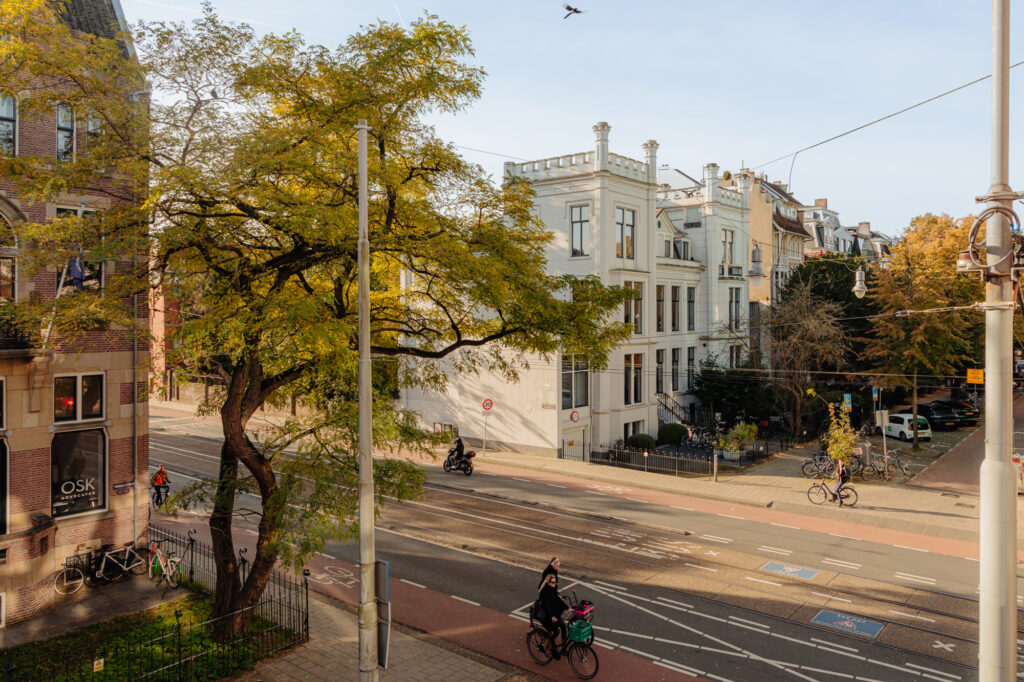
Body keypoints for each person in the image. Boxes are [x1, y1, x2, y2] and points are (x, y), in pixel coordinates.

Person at [538, 572, 569, 659]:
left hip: (551, 614)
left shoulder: (552, 589)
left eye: (555, 582)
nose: (555, 584)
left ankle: (564, 648)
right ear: (548, 583)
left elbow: (558, 601)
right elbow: (545, 607)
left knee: (563, 626)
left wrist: (568, 608)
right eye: (553, 582)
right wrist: (552, 617)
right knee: (555, 631)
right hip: (545, 616)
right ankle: (546, 648)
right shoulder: (544, 592)